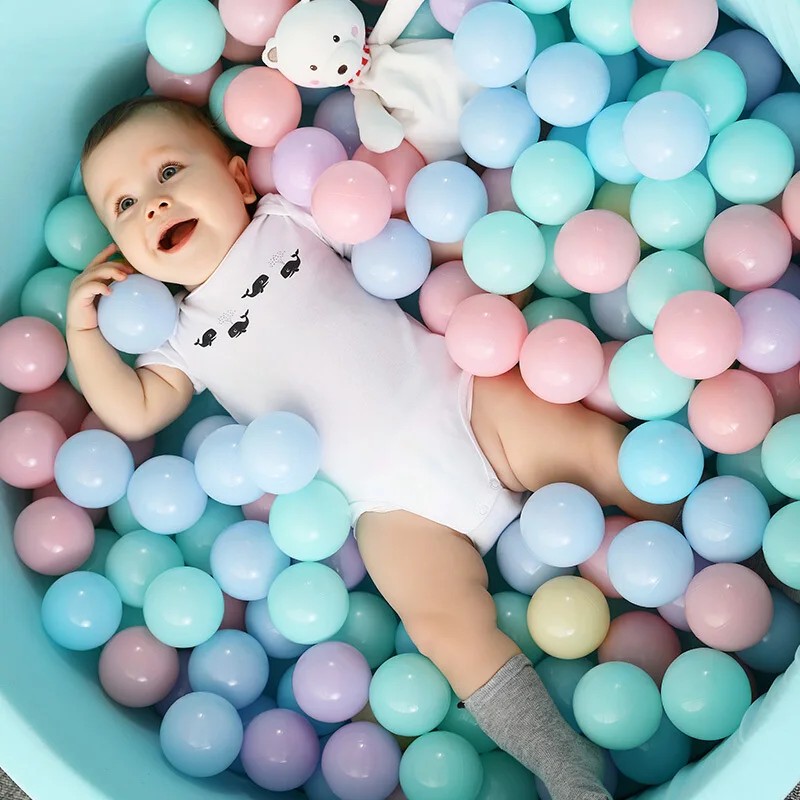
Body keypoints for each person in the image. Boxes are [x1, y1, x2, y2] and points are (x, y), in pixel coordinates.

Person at [68, 96, 680, 800]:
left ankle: (693, 552)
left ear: (239, 179)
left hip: (464, 404)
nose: (152, 204)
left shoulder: (287, 218)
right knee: (442, 629)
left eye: (169, 171)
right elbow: (133, 410)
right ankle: (568, 775)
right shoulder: (180, 339)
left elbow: (397, 232)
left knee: (601, 453)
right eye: (123, 206)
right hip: (394, 509)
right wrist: (83, 330)